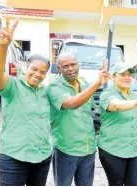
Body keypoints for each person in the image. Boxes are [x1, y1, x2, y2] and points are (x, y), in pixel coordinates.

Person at [0, 17, 52, 186]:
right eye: (34, 69)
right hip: (14, 157)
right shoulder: (12, 86)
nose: (37, 74)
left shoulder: (45, 92)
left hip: (42, 157)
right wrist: (3, 45)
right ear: (26, 67)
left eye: (43, 72)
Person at [46, 52, 111, 186]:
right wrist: (98, 83)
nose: (70, 68)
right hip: (66, 149)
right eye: (65, 66)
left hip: (88, 148)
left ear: (78, 64)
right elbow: (73, 104)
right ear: (59, 68)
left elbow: (91, 113)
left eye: (73, 64)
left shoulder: (84, 83)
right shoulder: (54, 88)